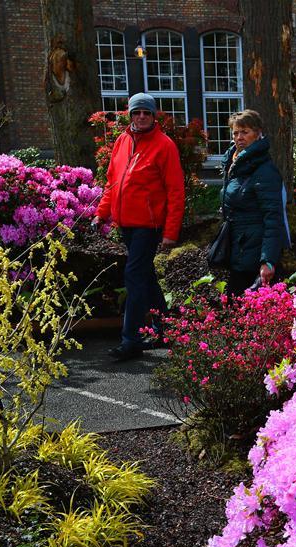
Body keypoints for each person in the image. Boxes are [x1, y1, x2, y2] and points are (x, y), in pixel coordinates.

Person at [93, 92, 185, 361]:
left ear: (153, 116)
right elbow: (113, 182)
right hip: (127, 224)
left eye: (146, 112)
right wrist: (102, 213)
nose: (141, 117)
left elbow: (176, 191)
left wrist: (170, 232)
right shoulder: (122, 141)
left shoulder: (164, 145)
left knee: (134, 277)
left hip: (149, 224)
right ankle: (164, 329)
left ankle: (130, 339)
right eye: (137, 112)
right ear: (130, 115)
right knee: (145, 276)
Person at [219, 109, 291, 296]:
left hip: (255, 254)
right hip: (240, 248)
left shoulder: (264, 170)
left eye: (245, 132)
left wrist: (267, 260)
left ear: (258, 133)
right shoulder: (234, 164)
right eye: (235, 132)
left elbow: (273, 217)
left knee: (247, 309)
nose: (239, 137)